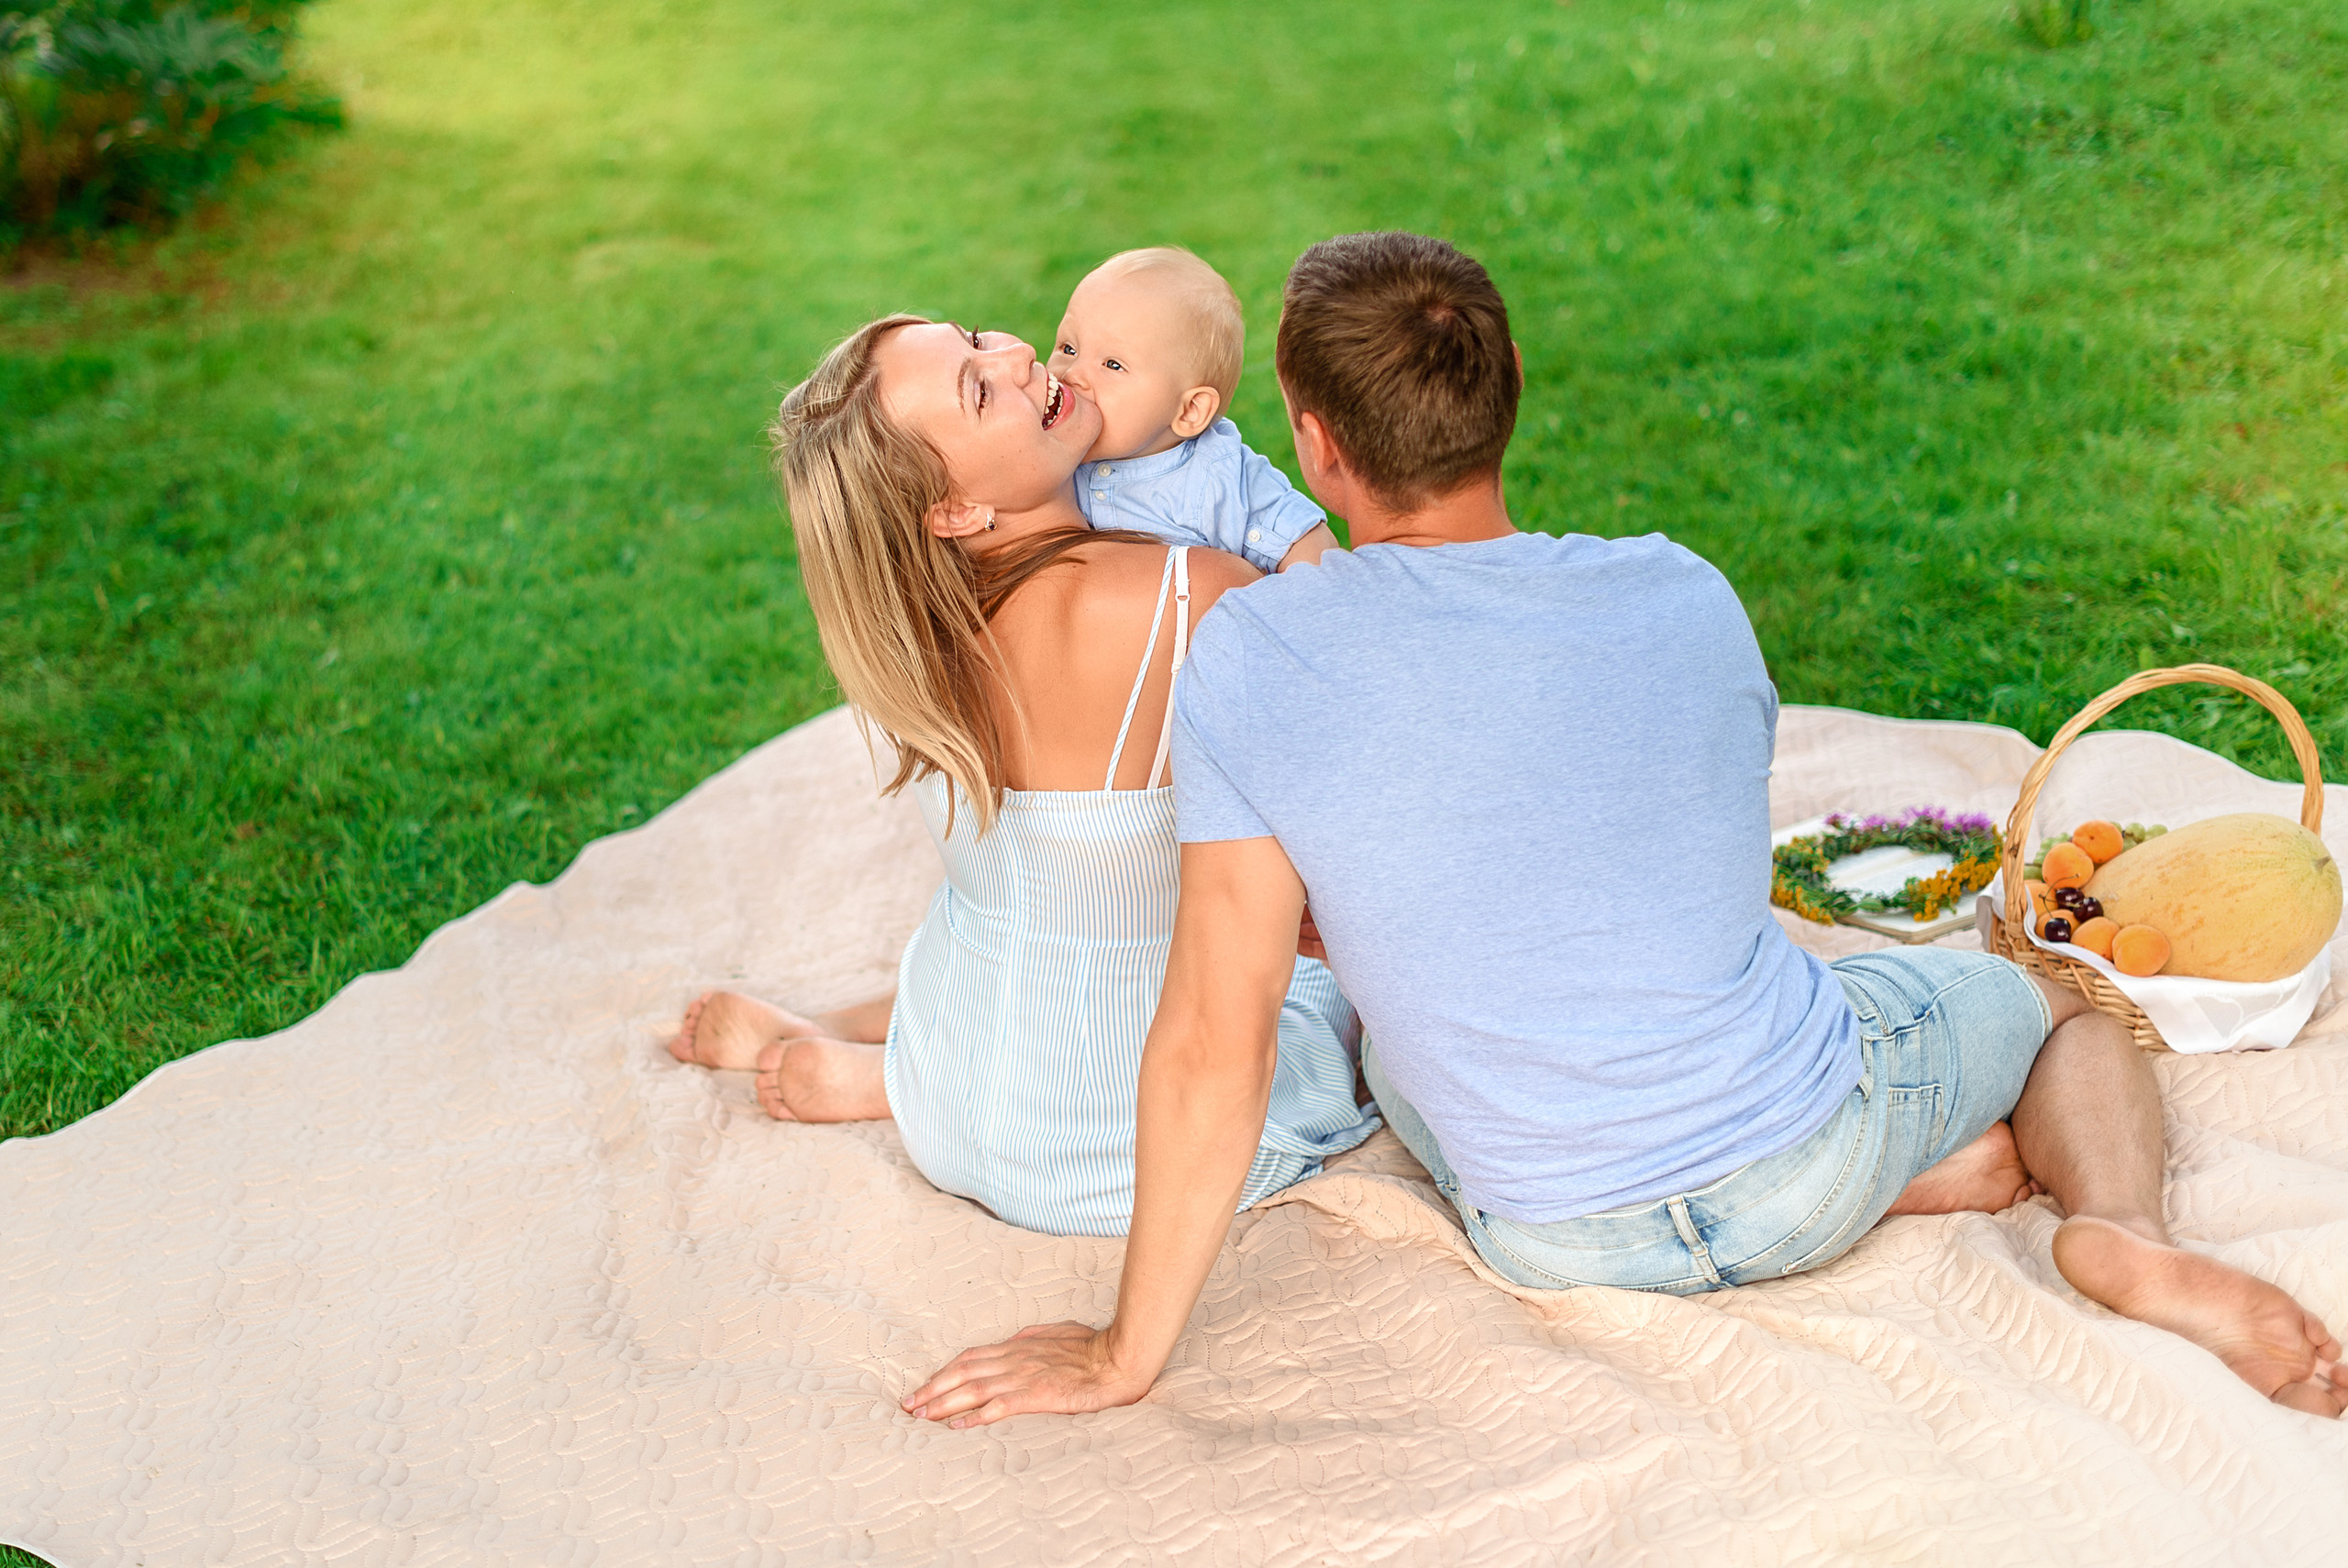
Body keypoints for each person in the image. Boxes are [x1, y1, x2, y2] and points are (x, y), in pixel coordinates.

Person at [904, 231, 2346, 1423]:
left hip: (1542, 1222)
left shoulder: (1253, 655)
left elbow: (1215, 1030)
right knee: (2051, 1001)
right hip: (1797, 1162)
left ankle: (1913, 1175)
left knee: (1387, 1015)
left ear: (1315, 438)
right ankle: (2121, 1233)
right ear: (1510, 384)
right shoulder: (1683, 593)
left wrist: (1122, 1353)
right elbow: (1689, 866)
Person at [665, 314, 1378, 1238]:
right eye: (977, 386)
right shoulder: (1193, 594)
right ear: (953, 511)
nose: (1018, 357)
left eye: (977, 338)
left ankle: (869, 1050)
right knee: (1342, 987)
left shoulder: (916, 633)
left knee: (1040, 909)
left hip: (955, 1110)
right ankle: (872, 1055)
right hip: (1118, 1151)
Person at [1052, 246, 1336, 573]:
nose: (1072, 374)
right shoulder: (1046, 444)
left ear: (1189, 411)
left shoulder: (1219, 475)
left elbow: (1309, 546)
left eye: (1113, 364)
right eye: (1068, 348)